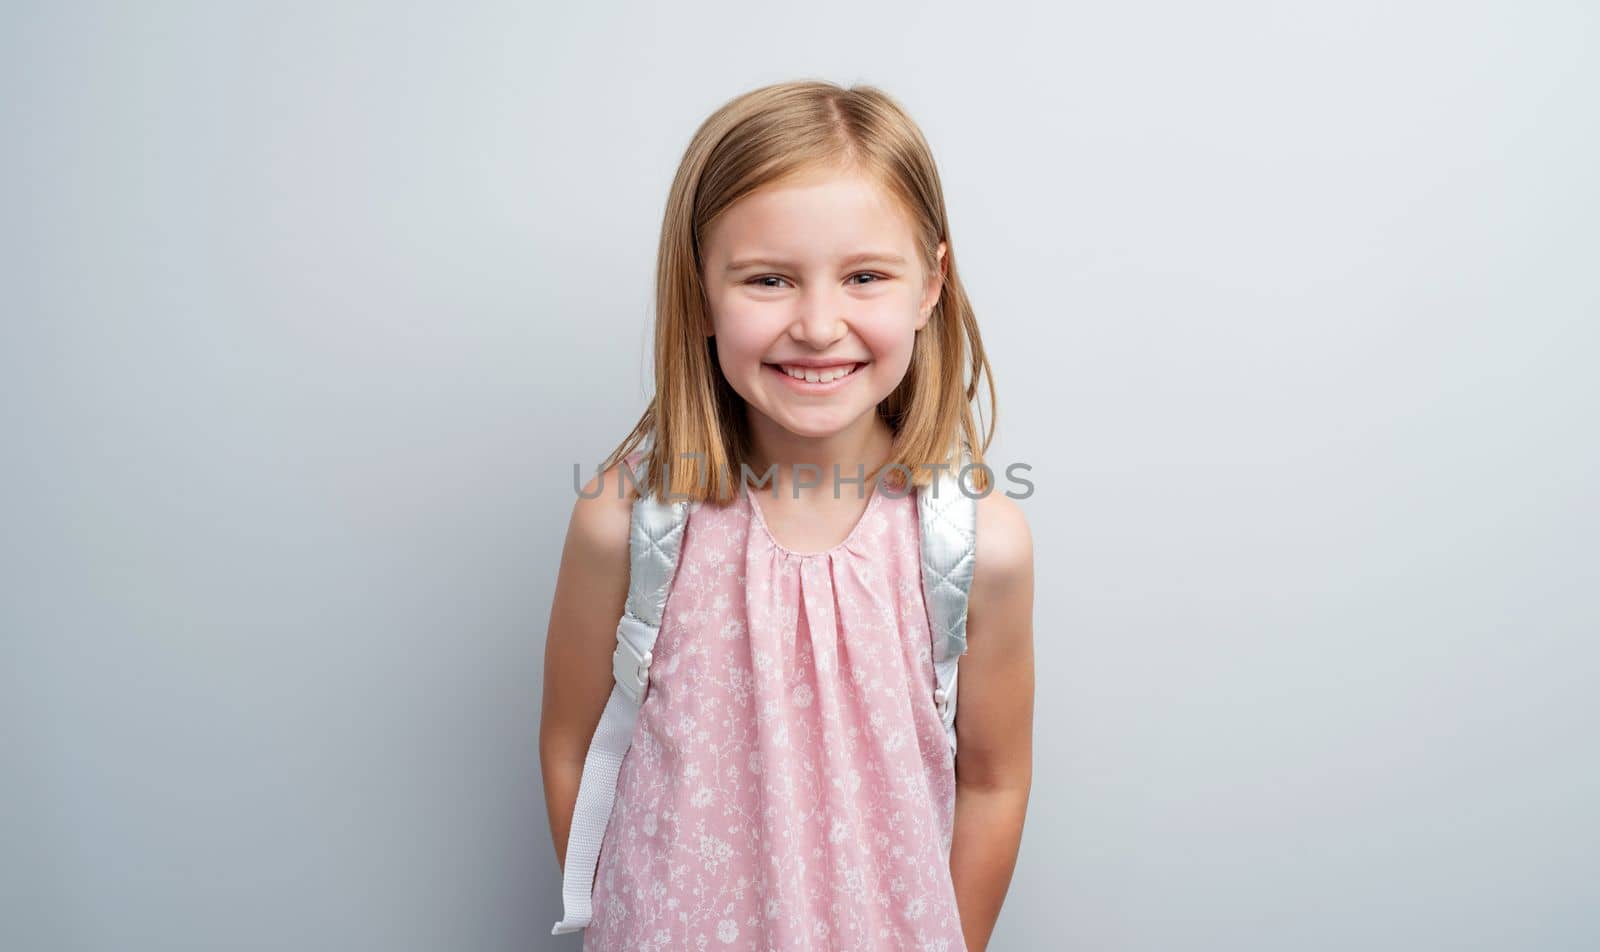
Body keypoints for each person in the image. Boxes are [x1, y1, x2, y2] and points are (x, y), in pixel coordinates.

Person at [540, 79, 1034, 951]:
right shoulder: (626, 522)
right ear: (698, 293)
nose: (817, 324)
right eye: (768, 279)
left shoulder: (975, 545)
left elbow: (994, 782)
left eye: (865, 277)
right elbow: (572, 749)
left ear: (929, 288)